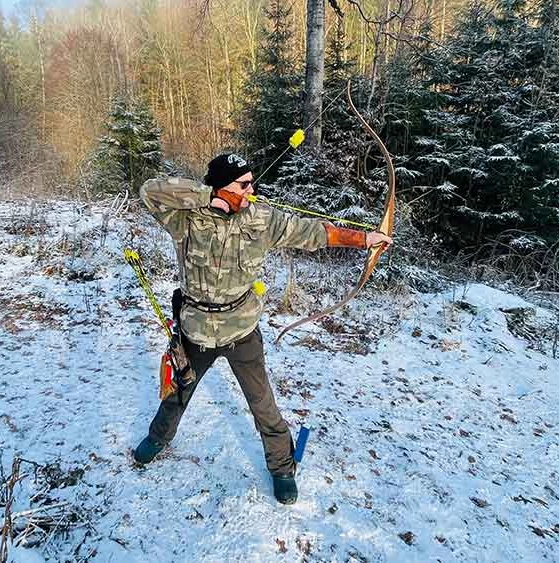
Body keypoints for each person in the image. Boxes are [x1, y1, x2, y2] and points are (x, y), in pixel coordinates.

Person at [132, 153, 392, 505]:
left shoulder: (261, 218)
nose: (251, 190)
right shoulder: (185, 218)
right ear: (221, 186)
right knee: (178, 392)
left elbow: (313, 232)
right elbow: (150, 191)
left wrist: (364, 239)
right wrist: (209, 197)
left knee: (263, 404)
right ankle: (158, 438)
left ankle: (282, 468)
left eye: (252, 182)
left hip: (242, 331)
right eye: (243, 184)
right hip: (197, 330)